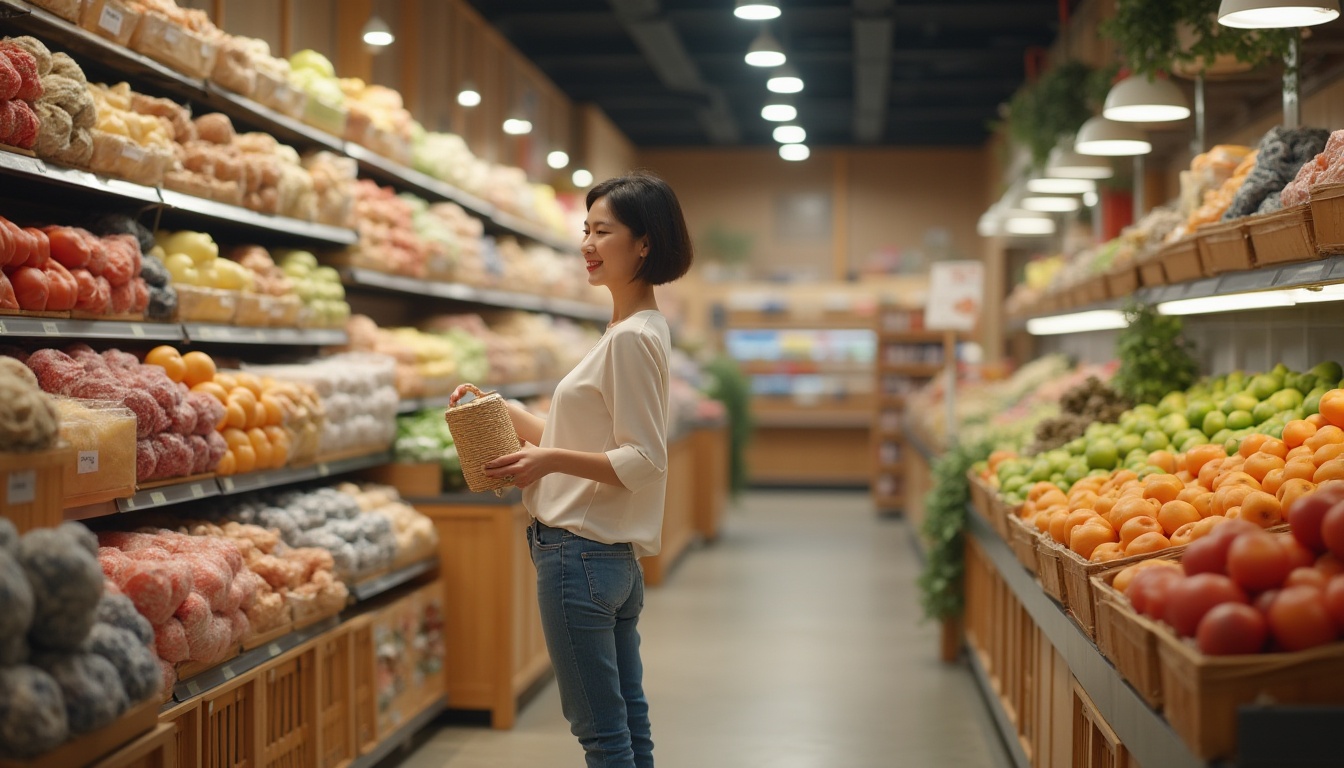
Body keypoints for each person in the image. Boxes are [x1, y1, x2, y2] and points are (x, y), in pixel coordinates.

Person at [448, 170, 692, 767]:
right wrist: (502, 411)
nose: (586, 243)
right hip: (607, 560)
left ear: (644, 243)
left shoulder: (630, 339)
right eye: (586, 229)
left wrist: (547, 460)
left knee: (602, 734)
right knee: (626, 721)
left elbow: (643, 459)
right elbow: (580, 431)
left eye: (603, 231)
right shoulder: (632, 329)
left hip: (578, 555)